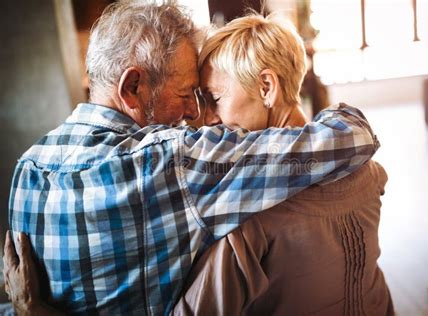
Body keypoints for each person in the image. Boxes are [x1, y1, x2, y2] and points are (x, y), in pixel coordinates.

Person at [5, 3, 379, 315]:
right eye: (187, 94)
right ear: (132, 88)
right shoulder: (174, 161)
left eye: (207, 98)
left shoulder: (26, 169)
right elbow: (351, 138)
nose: (192, 113)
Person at [172, 14, 393, 315]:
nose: (209, 118)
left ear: (266, 87)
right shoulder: (370, 173)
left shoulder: (249, 215)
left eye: (214, 98)